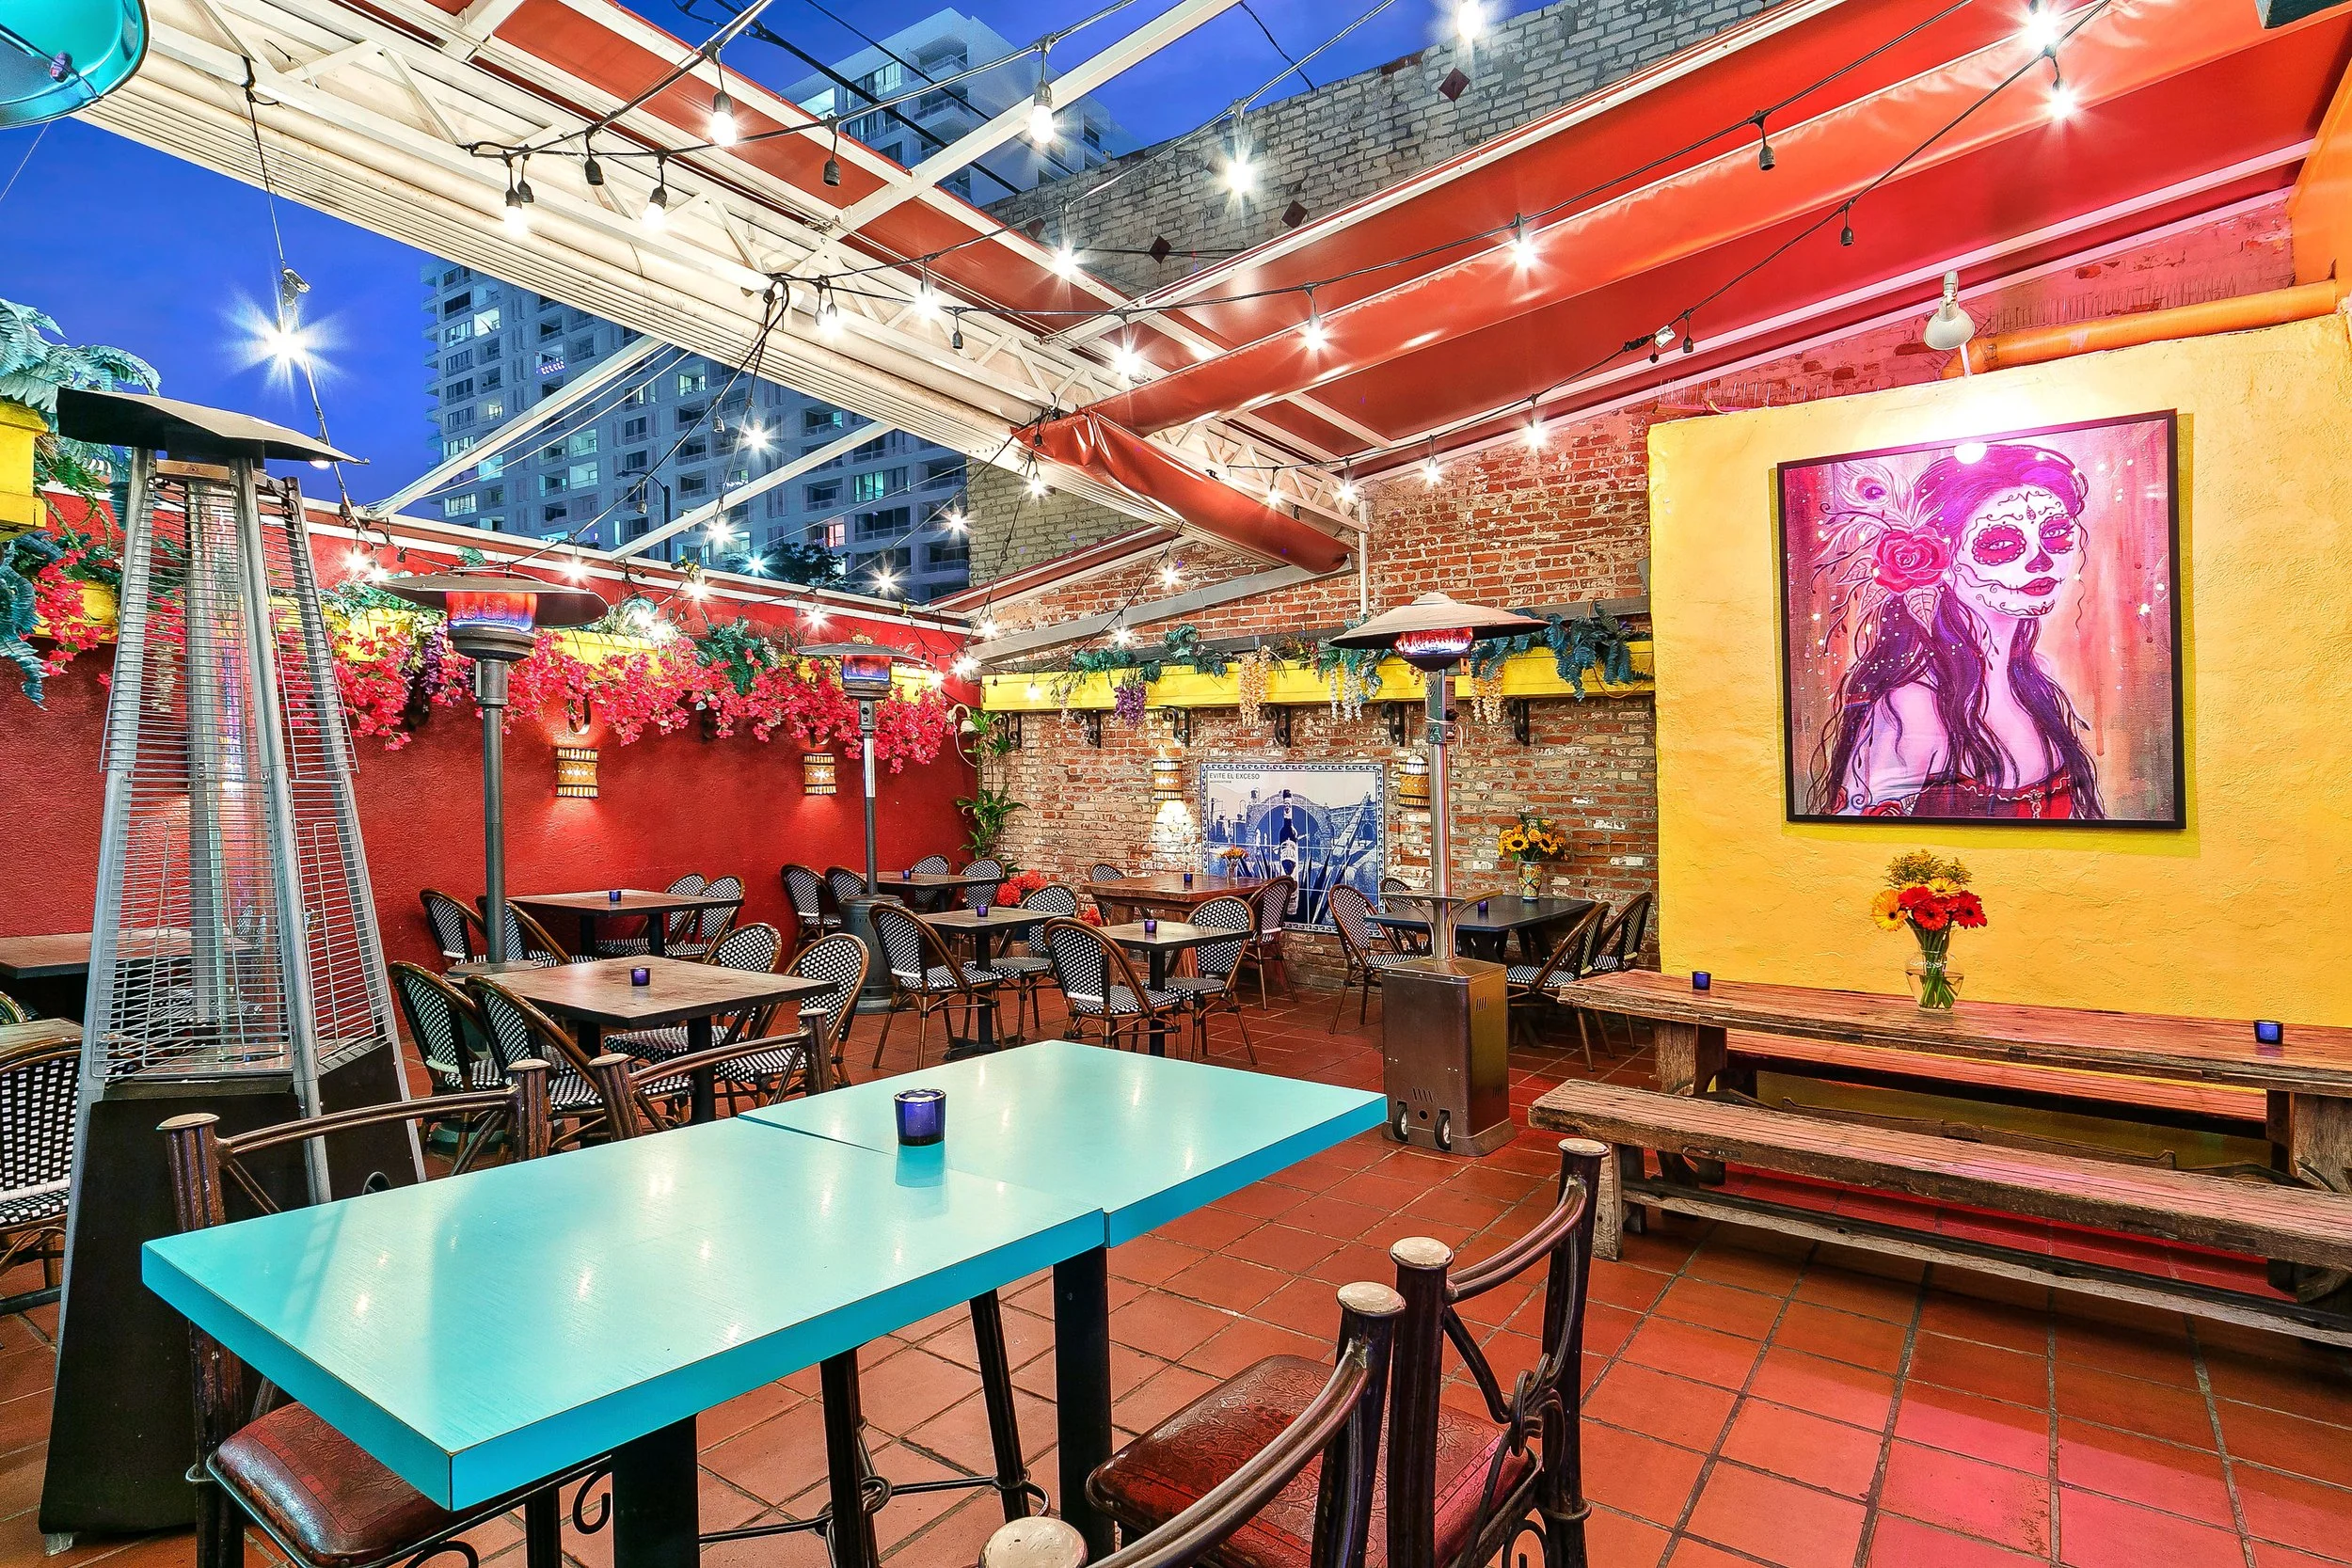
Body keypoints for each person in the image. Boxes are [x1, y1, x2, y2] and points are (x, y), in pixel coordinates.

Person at [1815, 442, 2104, 818]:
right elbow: (1859, 843)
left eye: (2055, 534)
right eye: (2001, 544)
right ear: (1942, 562)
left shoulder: (2040, 679)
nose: (2042, 560)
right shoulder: (1914, 706)